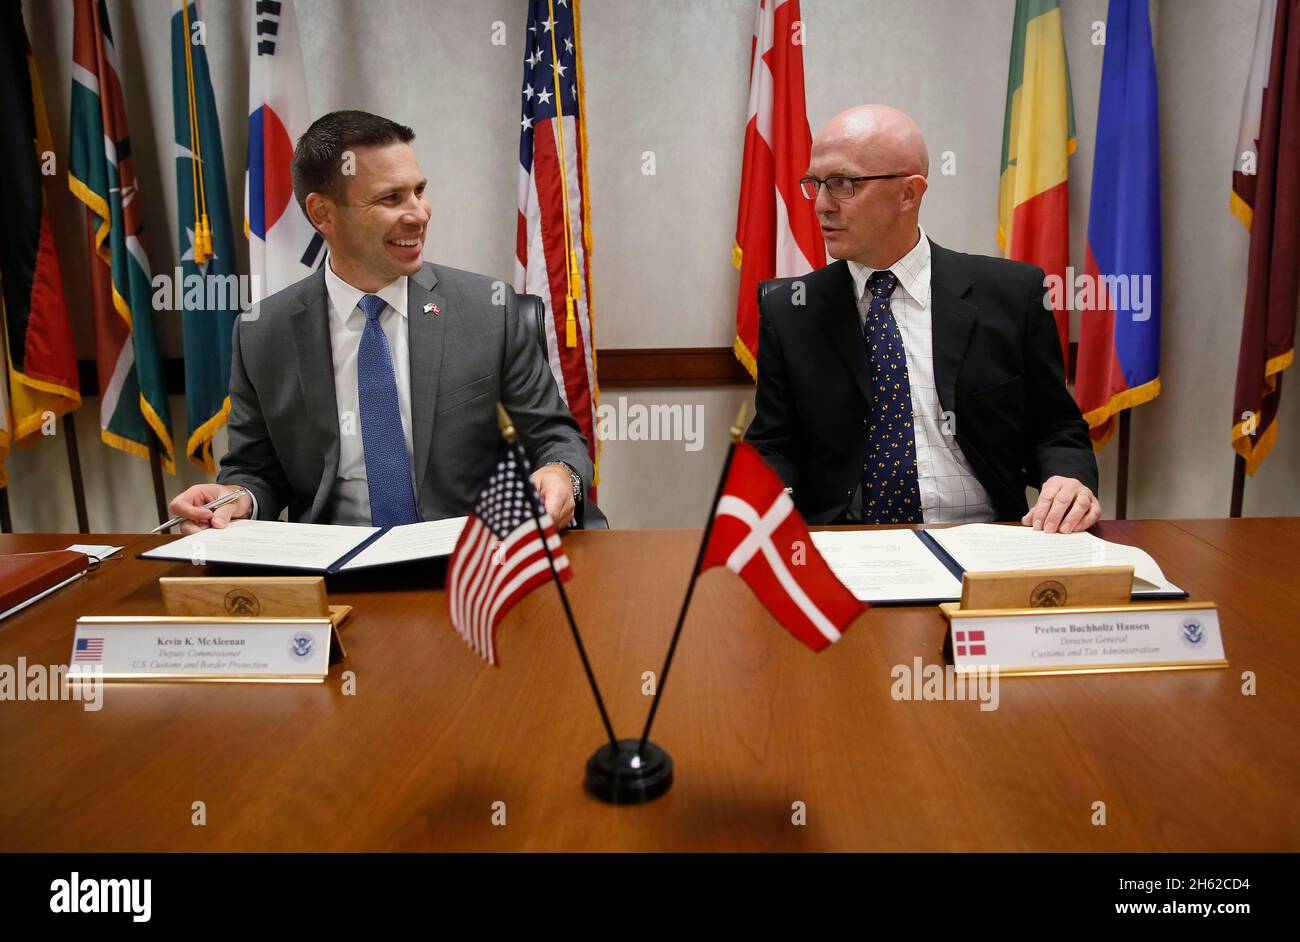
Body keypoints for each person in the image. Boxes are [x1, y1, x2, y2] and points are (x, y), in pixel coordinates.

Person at [168, 110, 591, 534]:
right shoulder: (263, 332)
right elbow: (255, 469)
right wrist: (236, 499)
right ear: (323, 214)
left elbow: (555, 437)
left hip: (470, 562)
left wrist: (559, 473)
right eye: (391, 198)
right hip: (333, 569)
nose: (419, 214)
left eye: (419, 191)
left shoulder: (489, 310)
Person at [746, 104, 1100, 533]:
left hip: (986, 538)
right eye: (815, 184)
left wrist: (1068, 477)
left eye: (841, 184)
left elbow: (1056, 426)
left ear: (909, 193)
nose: (821, 205)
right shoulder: (792, 309)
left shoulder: (1010, 293)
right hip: (846, 542)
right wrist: (769, 496)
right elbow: (772, 442)